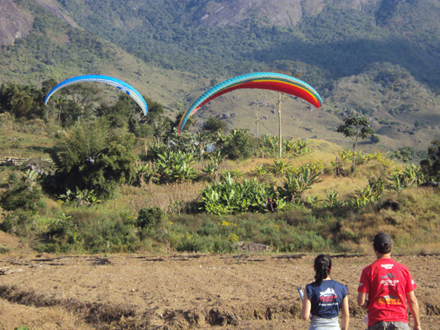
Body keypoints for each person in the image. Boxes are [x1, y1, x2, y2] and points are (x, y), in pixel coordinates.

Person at [357, 233, 421, 330]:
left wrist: (371, 305)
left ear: (374, 249)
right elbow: (412, 300)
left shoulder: (368, 270)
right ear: (391, 247)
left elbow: (361, 301)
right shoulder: (403, 270)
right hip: (400, 321)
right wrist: (417, 324)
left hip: (377, 321)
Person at [301, 254, 349, 330]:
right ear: (330, 268)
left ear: (315, 268)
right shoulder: (342, 288)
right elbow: (346, 316)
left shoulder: (310, 288)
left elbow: (305, 316)